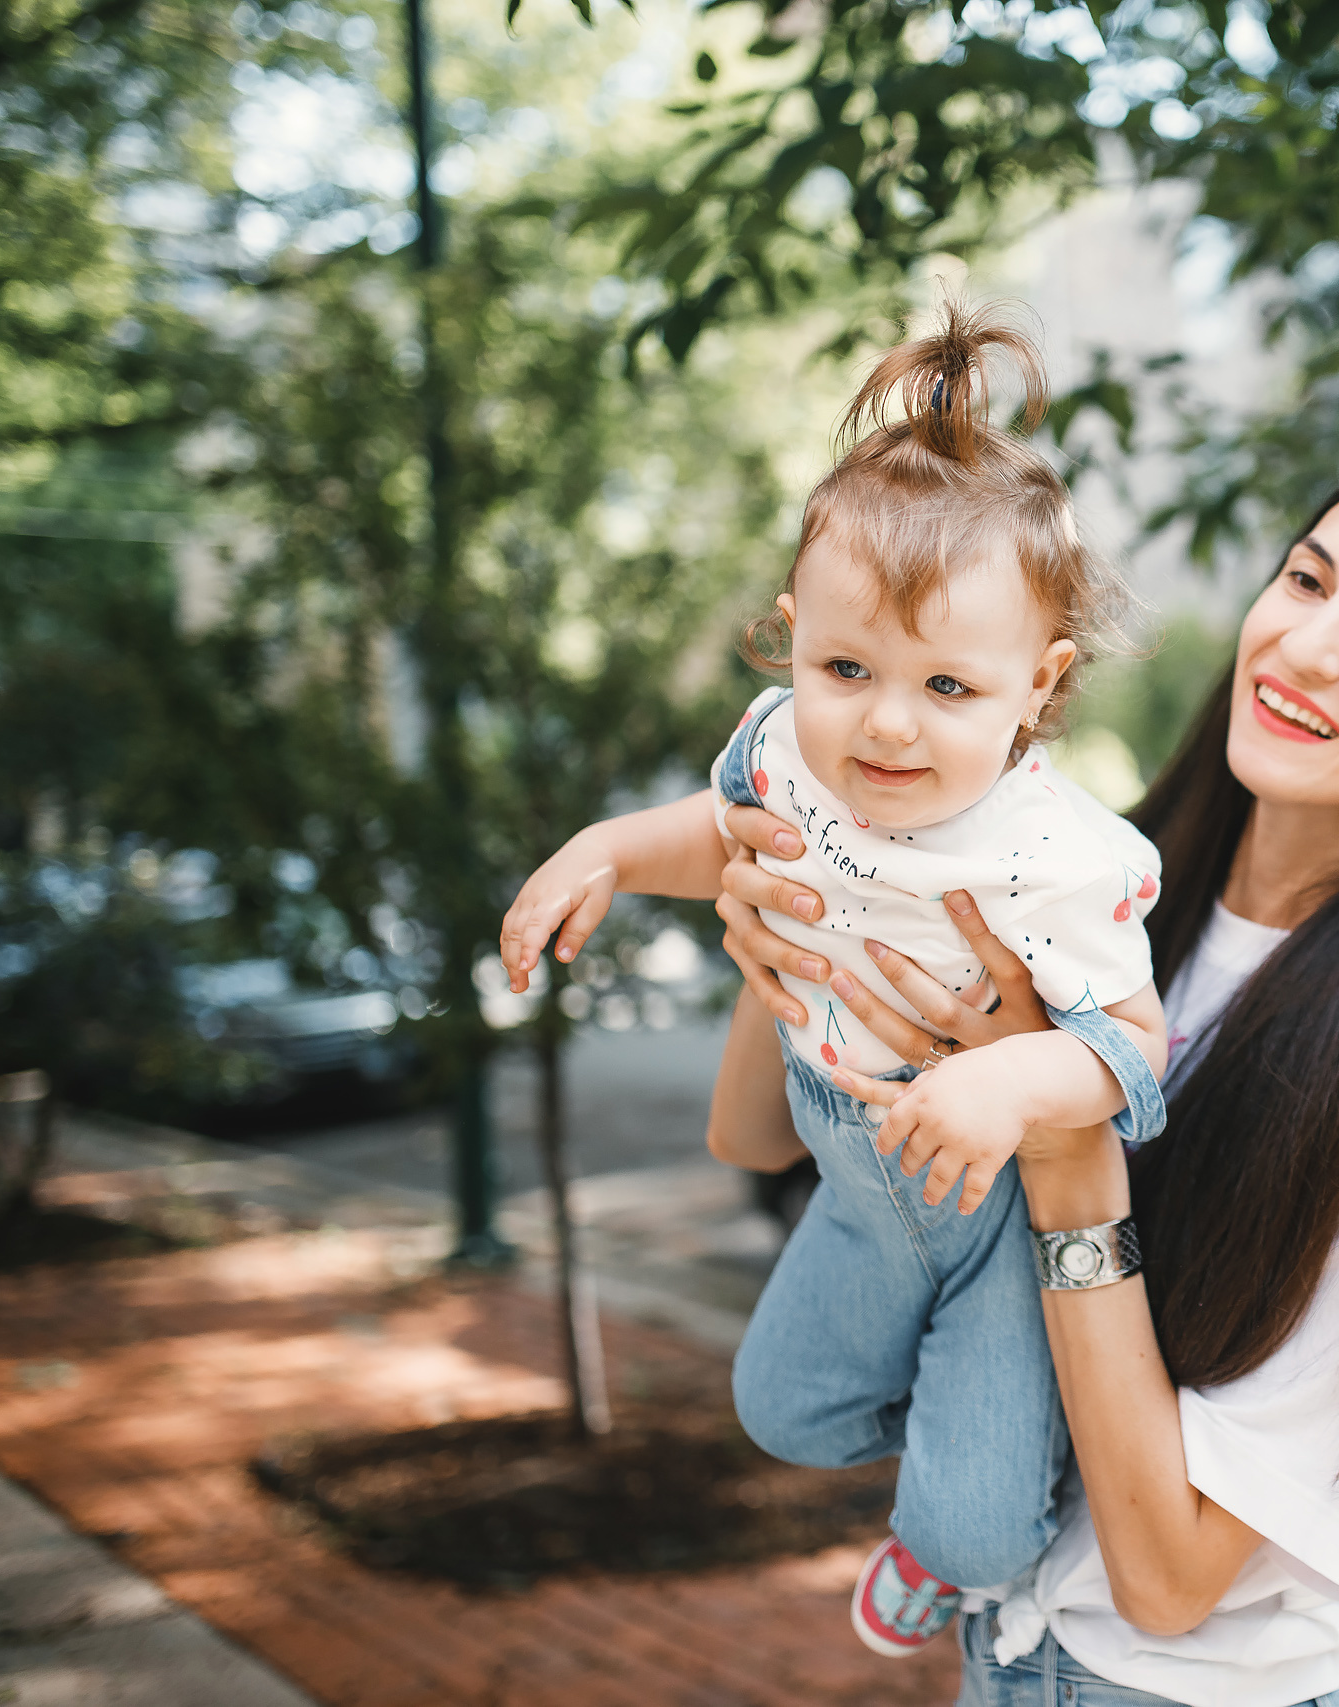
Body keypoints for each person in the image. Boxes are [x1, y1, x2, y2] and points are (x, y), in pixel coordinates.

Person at [715, 455, 1339, 1706]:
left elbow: (1170, 1580)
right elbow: (753, 1141)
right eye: (1307, 581)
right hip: (1012, 1656)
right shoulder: (1102, 895)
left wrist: (1066, 1135)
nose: (1308, 646)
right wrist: (793, 938)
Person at [497, 302, 1170, 1658]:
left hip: (988, 1218)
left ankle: (969, 1493)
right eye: (846, 666)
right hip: (850, 1181)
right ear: (791, 634)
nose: (888, 722)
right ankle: (969, 1433)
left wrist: (1003, 1084)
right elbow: (727, 839)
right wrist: (606, 852)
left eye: (947, 685)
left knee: (979, 1534)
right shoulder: (786, 755)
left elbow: (1135, 1047)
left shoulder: (1060, 853)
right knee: (781, 1408)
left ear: (1036, 688)